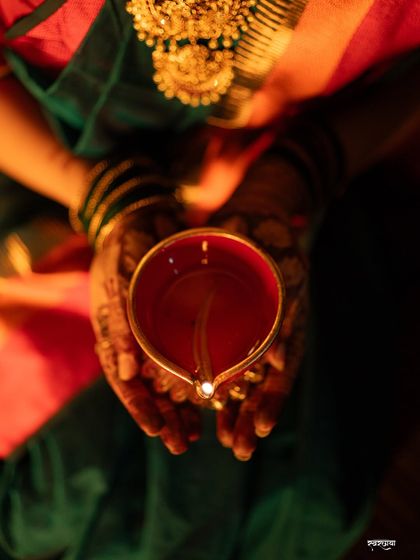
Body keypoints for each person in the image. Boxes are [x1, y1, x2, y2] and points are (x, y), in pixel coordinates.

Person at [0, 0, 419, 558]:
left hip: (283, 195)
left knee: (312, 512)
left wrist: (294, 174)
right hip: (53, 166)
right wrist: (109, 200)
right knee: (45, 504)